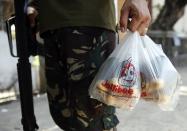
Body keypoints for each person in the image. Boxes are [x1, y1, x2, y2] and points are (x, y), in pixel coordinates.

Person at [27, 0, 151, 131]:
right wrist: (32, 5)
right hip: (50, 22)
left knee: (94, 120)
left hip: (90, 21)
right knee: (64, 117)